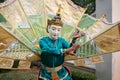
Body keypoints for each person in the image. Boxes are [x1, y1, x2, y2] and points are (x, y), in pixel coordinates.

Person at [38, 6, 85, 80]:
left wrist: (73, 40)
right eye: (53, 29)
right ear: (48, 28)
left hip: (61, 73)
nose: (56, 32)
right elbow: (47, 49)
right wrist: (63, 51)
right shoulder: (43, 41)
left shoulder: (61, 40)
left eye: (59, 30)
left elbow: (71, 49)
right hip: (46, 74)